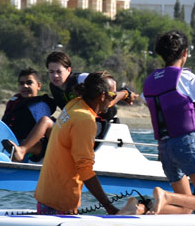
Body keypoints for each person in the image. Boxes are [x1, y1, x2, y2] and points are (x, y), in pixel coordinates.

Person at [34, 71, 141, 215]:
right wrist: (110, 208)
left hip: (45, 199)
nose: (113, 99)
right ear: (102, 96)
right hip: (60, 206)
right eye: (112, 95)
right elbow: (85, 169)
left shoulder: (75, 104)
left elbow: (107, 102)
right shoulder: (85, 121)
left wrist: (125, 94)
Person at [142, 30, 195, 214]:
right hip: (185, 144)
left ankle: (140, 208)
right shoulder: (187, 78)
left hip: (164, 148)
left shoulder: (149, 82)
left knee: (186, 209)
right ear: (184, 53)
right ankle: (166, 196)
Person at [46, 50, 135, 120]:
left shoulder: (81, 78)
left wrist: (124, 94)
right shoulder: (53, 87)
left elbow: (109, 84)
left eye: (58, 72)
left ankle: (125, 92)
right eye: (51, 72)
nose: (55, 76)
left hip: (104, 116)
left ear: (68, 70)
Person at [1, 68, 55, 162]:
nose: (25, 86)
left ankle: (15, 160)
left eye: (29, 83)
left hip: (38, 148)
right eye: (21, 83)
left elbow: (44, 135)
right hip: (15, 141)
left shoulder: (40, 105)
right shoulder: (14, 103)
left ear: (38, 86)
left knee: (24, 142)